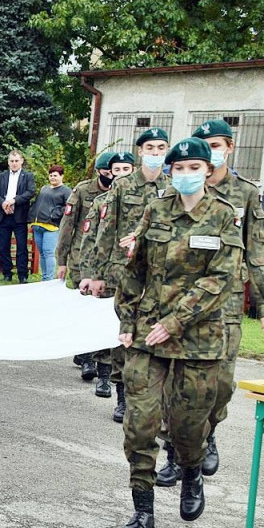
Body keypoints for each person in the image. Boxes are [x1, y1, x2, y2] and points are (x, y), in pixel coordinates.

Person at [115, 136, 242, 528]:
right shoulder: (156, 210)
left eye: (194, 168)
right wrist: (127, 318)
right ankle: (143, 510)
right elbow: (133, 269)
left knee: (188, 429)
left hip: (197, 339)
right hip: (147, 336)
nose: (185, 175)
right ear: (169, 172)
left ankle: (191, 473)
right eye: (178, 168)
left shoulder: (222, 216)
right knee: (139, 426)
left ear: (208, 171)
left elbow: (219, 280)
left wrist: (174, 322)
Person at [154, 120, 264, 483]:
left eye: (216, 144)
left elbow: (256, 249)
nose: (211, 149)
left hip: (224, 302)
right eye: (204, 144)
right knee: (172, 383)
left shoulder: (245, 193)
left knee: (218, 384)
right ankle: (175, 451)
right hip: (175, 302)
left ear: (229, 149)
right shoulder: (171, 190)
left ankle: (208, 435)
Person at [81, 131, 168, 421]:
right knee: (122, 335)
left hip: (159, 276)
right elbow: (106, 230)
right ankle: (121, 396)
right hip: (122, 272)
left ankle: (147, 397)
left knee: (152, 335)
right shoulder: (122, 185)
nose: (155, 152)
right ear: (140, 151)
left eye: (161, 147)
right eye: (150, 147)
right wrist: (96, 273)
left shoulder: (171, 187)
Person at [56, 152, 117, 381]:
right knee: (86, 307)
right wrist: (61, 261)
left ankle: (96, 355)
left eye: (115, 171)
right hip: (81, 260)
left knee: (103, 310)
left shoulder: (122, 194)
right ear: (99, 171)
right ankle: (87, 359)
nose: (111, 176)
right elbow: (67, 226)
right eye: (107, 172)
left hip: (108, 263)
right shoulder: (82, 191)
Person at [0, 150, 36, 283]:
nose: (14, 163)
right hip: (3, 215)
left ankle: (22, 275)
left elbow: (30, 192)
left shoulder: (27, 176)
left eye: (16, 161)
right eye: (12, 161)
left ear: (22, 161)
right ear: (8, 162)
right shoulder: (2, 176)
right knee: (3, 246)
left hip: (19, 216)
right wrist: (3, 203)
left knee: (21, 247)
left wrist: (14, 200)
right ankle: (7, 273)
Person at [28, 165, 71, 281]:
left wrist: (54, 214)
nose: (52, 177)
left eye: (55, 175)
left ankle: (49, 279)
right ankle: (44, 277)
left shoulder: (66, 191)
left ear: (62, 176)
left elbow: (68, 207)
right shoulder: (44, 188)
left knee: (49, 253)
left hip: (52, 227)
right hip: (38, 225)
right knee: (42, 253)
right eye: (51, 175)